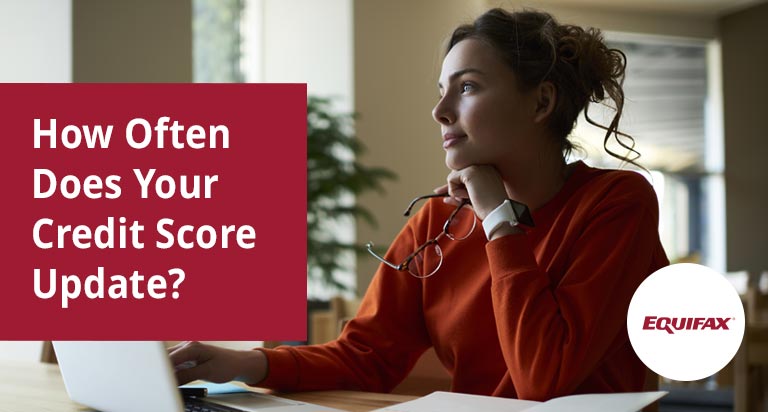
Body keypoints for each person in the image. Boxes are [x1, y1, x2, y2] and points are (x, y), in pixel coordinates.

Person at [169, 8, 669, 402]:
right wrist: (245, 365)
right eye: (441, 90)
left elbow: (546, 378)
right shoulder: (439, 219)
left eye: (467, 86)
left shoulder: (618, 202)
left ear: (541, 103)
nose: (439, 111)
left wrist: (497, 216)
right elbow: (366, 356)